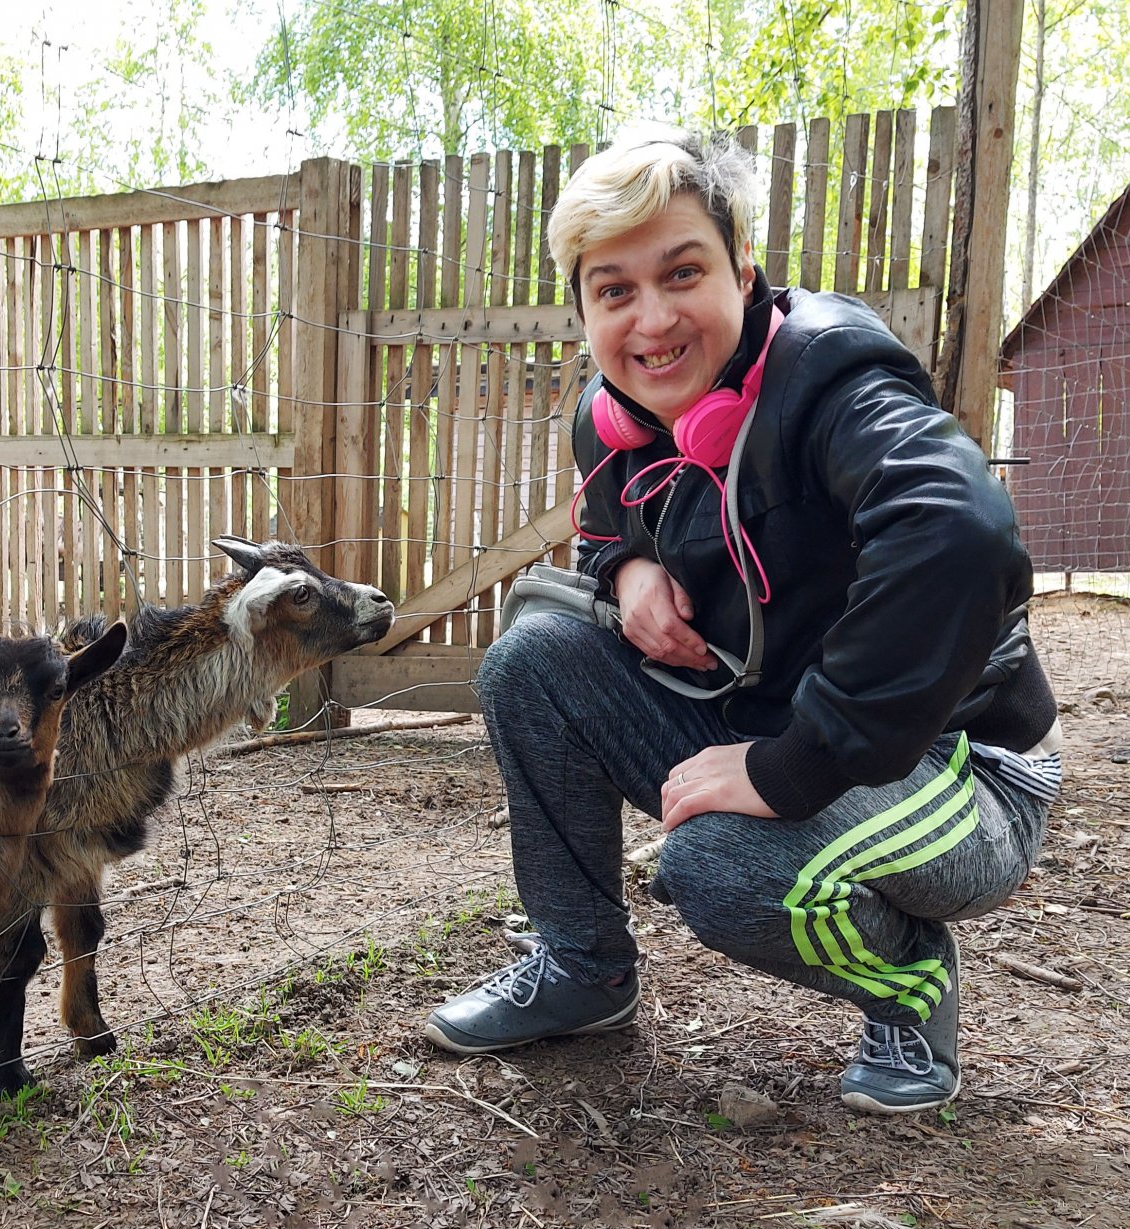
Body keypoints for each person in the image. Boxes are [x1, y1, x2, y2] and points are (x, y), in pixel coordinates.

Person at [421, 124, 1062, 1113]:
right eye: (614, 290)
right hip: (776, 718)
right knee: (531, 661)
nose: (651, 319)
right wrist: (628, 566)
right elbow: (606, 528)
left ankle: (907, 981)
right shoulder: (614, 416)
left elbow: (959, 535)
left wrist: (789, 767)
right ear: (584, 308)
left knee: (717, 867)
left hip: (957, 768)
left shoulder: (831, 380)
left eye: (681, 273)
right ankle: (580, 972)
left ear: (743, 271)